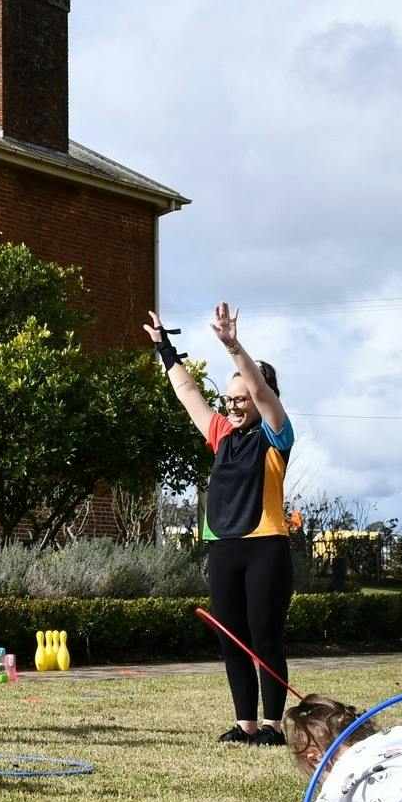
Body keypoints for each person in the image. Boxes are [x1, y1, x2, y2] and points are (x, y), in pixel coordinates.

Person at [146, 302, 296, 746]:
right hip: (224, 548)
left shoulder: (275, 435)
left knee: (264, 637)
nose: (231, 405)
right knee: (233, 639)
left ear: (260, 397)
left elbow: (264, 395)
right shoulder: (221, 435)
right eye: (227, 399)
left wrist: (233, 346)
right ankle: (244, 724)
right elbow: (187, 392)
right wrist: (164, 348)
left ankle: (272, 726)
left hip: (266, 546)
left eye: (240, 398)